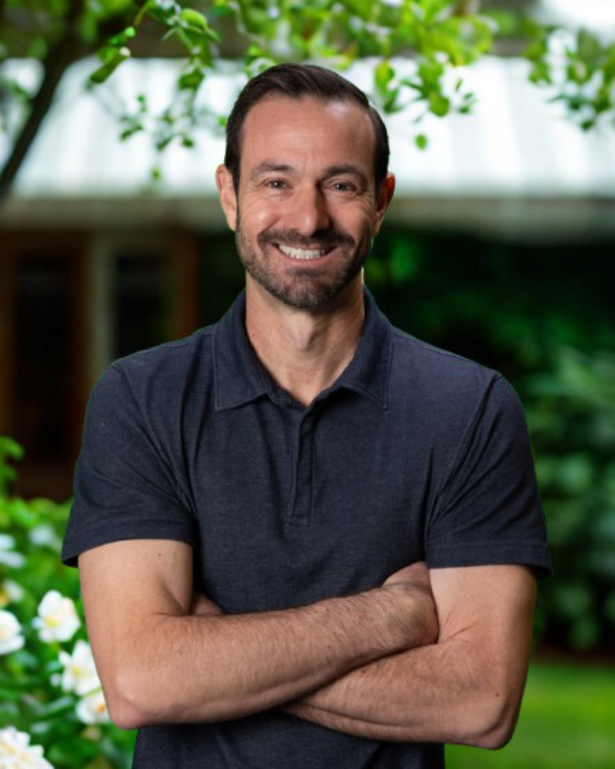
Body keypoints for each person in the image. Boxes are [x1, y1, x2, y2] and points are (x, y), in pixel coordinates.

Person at [61, 63, 551, 768]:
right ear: (229, 195)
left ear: (380, 201)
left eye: (341, 185)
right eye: (275, 181)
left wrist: (214, 656)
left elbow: (479, 701)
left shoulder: (467, 408)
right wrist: (392, 616)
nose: (307, 218)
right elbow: (141, 681)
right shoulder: (142, 398)